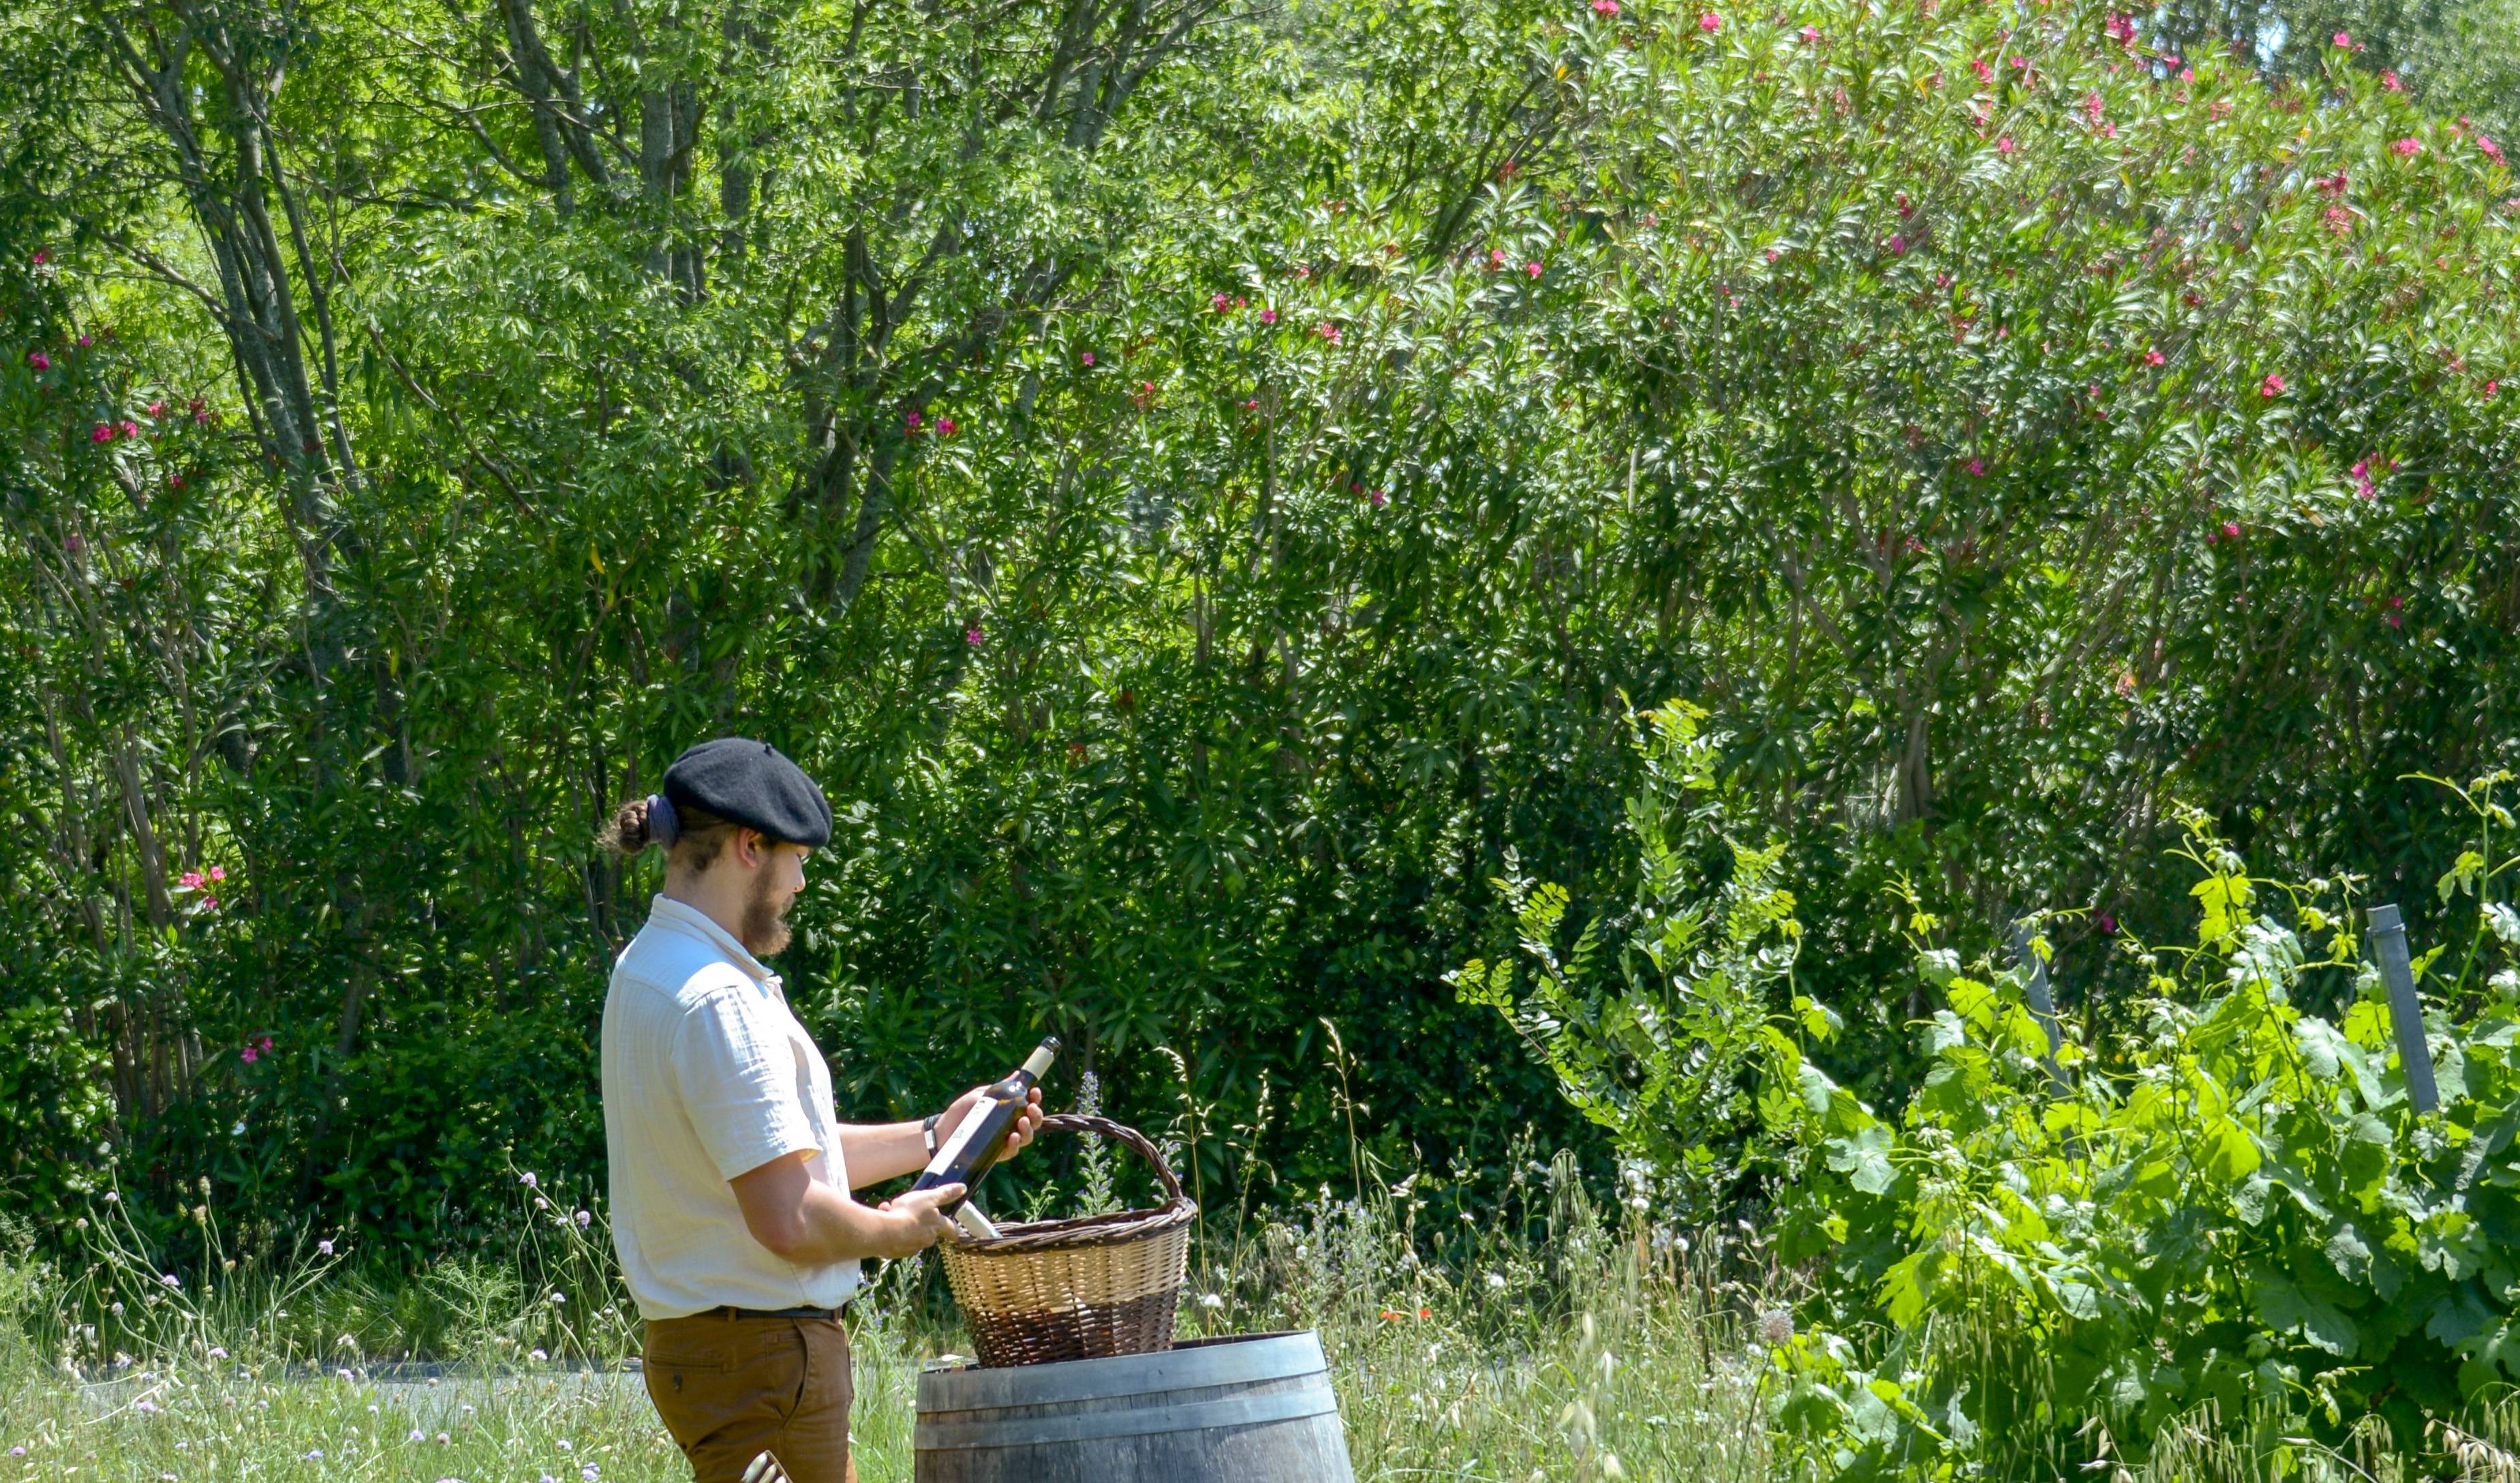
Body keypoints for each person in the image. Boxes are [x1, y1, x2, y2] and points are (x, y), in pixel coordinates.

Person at [600, 737, 1042, 1483]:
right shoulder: (718, 998)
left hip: (729, 1358)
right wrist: (899, 1229)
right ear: (750, 845)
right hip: (763, 1362)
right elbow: (790, 1216)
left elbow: (771, 1150)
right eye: (798, 857)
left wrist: (938, 1133)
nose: (802, 880)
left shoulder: (648, 965)